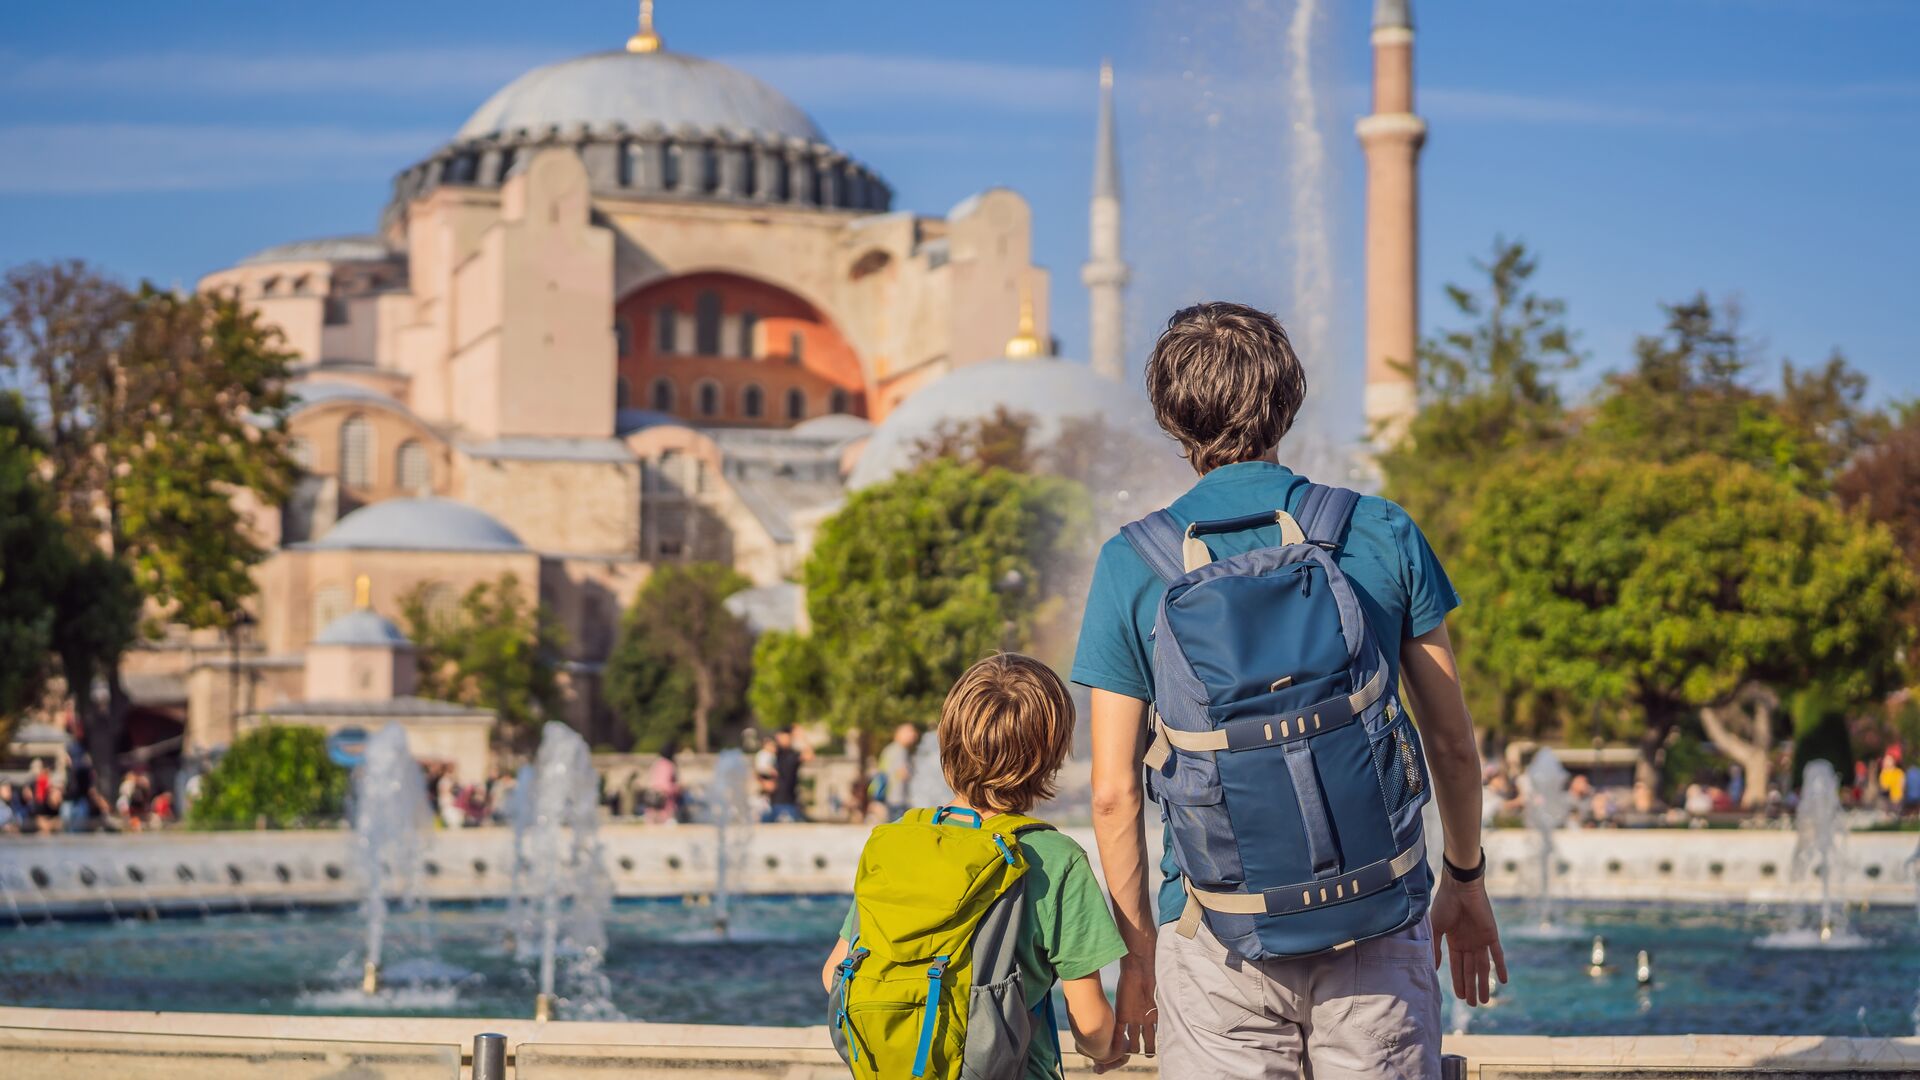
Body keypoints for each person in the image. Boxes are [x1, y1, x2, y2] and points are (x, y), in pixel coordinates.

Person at [1072, 302, 1505, 1077]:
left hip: (1214, 936)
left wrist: (1138, 956)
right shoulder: (1381, 530)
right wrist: (1465, 879)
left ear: (1171, 419)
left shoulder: (1131, 562)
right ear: (1290, 398)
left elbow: (1112, 795)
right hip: (1377, 919)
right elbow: (1450, 743)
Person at [820, 653, 1129, 1076]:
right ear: (1051, 752)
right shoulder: (1054, 858)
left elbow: (834, 973)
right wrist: (1106, 1049)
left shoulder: (898, 841)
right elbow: (1091, 1022)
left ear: (948, 740)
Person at [762, 725, 812, 823]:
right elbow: (759, 768)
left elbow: (809, 756)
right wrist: (763, 782)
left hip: (790, 803)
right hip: (773, 803)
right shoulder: (774, 753)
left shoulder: (793, 754)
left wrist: (802, 737)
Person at [871, 722, 919, 821]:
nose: (914, 734)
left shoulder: (889, 749)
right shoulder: (899, 751)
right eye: (909, 732)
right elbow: (903, 773)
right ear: (899, 734)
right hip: (898, 797)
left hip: (891, 797)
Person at [646, 742, 683, 824]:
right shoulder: (668, 765)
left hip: (654, 802)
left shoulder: (657, 763)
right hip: (664, 805)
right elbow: (664, 785)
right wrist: (677, 788)